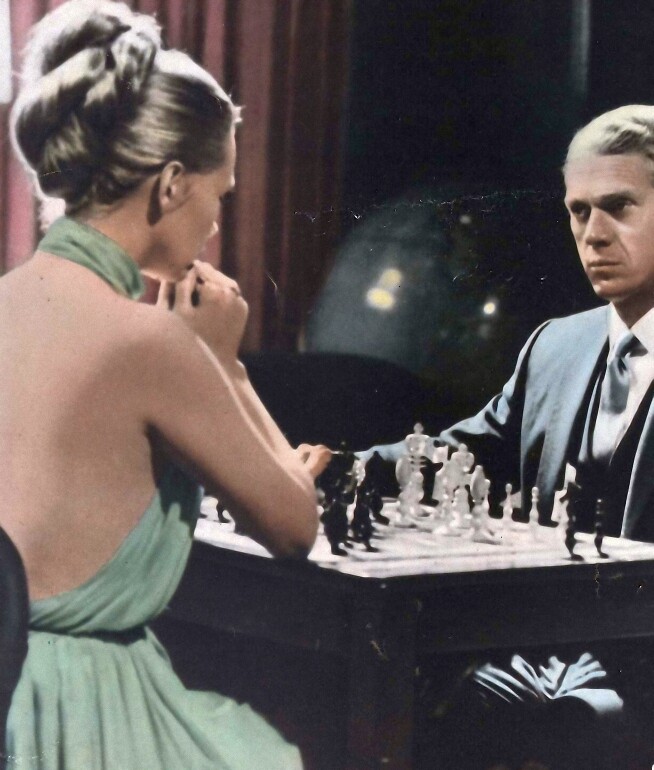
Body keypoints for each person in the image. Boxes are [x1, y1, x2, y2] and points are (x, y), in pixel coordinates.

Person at [1, 1, 330, 768]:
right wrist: (224, 363)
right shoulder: (153, 342)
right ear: (173, 184)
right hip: (80, 708)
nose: (216, 223)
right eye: (221, 193)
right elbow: (294, 526)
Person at [360, 105, 654, 767]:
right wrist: (341, 466)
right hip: (543, 652)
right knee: (415, 710)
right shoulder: (555, 345)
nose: (594, 235)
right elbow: (467, 454)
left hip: (645, 671)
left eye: (619, 207)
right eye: (579, 211)